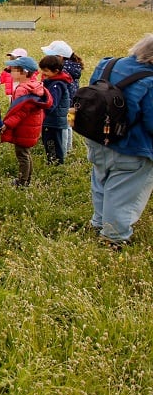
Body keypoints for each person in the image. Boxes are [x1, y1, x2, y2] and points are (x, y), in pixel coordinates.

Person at [84, 34, 153, 248]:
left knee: (101, 182)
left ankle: (97, 223)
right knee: (122, 193)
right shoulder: (150, 80)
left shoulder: (108, 64)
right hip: (131, 146)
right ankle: (113, 238)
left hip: (96, 137)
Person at [1, 56, 52, 187]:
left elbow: (20, 112)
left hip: (24, 128)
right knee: (26, 154)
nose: (10, 72)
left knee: (22, 155)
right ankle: (27, 179)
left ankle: (22, 181)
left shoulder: (23, 89)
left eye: (13, 69)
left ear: (23, 72)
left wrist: (7, 124)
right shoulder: (36, 86)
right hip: (32, 127)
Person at [42, 40, 83, 154]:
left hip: (63, 104)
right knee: (69, 126)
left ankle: (64, 151)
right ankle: (69, 149)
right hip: (73, 102)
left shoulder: (61, 70)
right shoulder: (74, 67)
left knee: (64, 128)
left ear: (60, 57)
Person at [39, 55, 72, 165]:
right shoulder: (52, 82)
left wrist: (40, 111)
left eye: (46, 71)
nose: (43, 73)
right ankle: (53, 162)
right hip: (51, 120)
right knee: (49, 143)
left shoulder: (56, 85)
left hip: (53, 121)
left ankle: (56, 164)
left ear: (56, 71)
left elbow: (51, 104)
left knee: (52, 144)